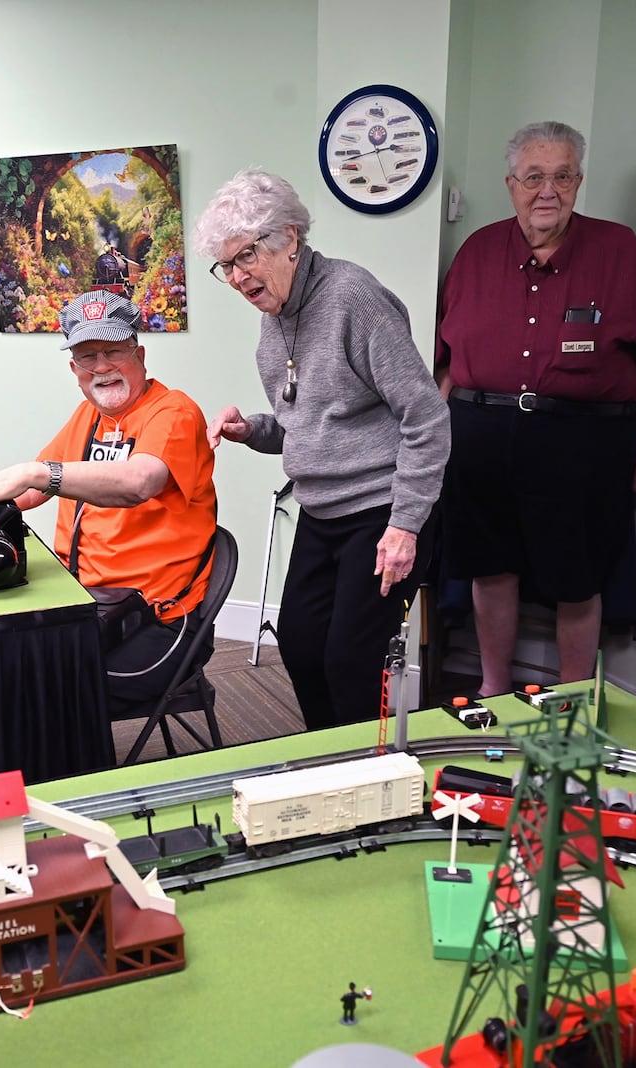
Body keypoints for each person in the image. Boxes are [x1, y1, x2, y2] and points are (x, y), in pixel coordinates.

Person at [193, 168, 449, 731]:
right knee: (303, 648)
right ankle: (332, 761)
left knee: (349, 662)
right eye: (227, 266)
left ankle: (371, 782)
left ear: (290, 239)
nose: (237, 278)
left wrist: (405, 525)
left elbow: (426, 416)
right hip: (321, 511)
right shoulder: (275, 319)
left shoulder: (352, 297)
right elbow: (304, 426)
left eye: (246, 258)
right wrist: (254, 429)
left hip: (382, 511)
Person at [435, 121, 636, 698]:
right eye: (534, 177)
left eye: (562, 176)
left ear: (579, 181)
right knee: (490, 571)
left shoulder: (618, 250)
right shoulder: (476, 252)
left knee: (578, 580)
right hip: (480, 437)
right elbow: (446, 366)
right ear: (511, 184)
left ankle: (569, 702)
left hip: (584, 446)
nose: (548, 190)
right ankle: (495, 693)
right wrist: (430, 450)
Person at [0, 290, 217, 704]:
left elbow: (140, 481)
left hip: (155, 618)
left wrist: (38, 472)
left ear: (140, 354)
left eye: (113, 351)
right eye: (87, 356)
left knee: (21, 685)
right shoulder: (89, 415)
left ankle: (60, 767)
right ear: (73, 368)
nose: (101, 367)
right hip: (84, 601)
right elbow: (29, 491)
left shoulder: (174, 413)